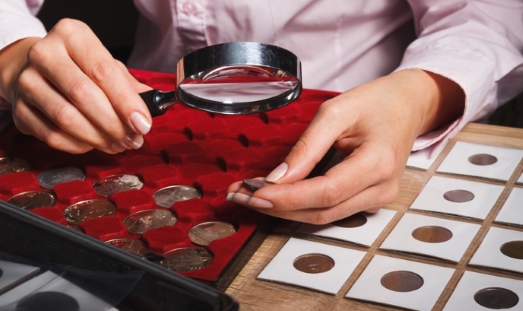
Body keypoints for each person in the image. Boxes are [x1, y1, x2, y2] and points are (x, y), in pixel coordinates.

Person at [0, 0, 522, 224]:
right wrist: (13, 53)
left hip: (355, 128)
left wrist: (416, 98)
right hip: (132, 114)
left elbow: (489, 15)